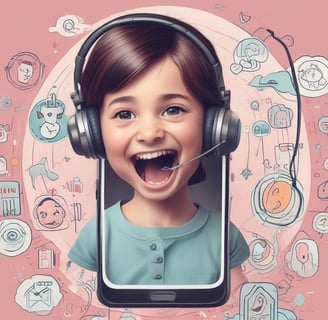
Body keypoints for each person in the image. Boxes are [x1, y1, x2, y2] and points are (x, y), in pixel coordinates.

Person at [68, 14, 249, 291]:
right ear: (91, 133)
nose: (150, 133)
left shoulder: (223, 236)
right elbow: (75, 304)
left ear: (214, 126)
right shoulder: (98, 235)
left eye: (173, 109)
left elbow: (244, 307)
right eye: (124, 113)